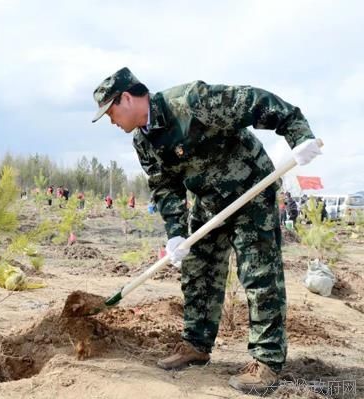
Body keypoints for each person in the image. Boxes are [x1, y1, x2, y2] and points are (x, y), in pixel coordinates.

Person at [91, 67, 321, 393]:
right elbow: (165, 188)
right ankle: (196, 345)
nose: (112, 122)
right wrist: (175, 233)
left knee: (259, 275)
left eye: (110, 112)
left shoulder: (191, 101)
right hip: (208, 202)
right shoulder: (144, 142)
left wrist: (298, 133)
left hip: (250, 189)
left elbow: (253, 102)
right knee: (197, 270)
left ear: (126, 98)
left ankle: (266, 360)